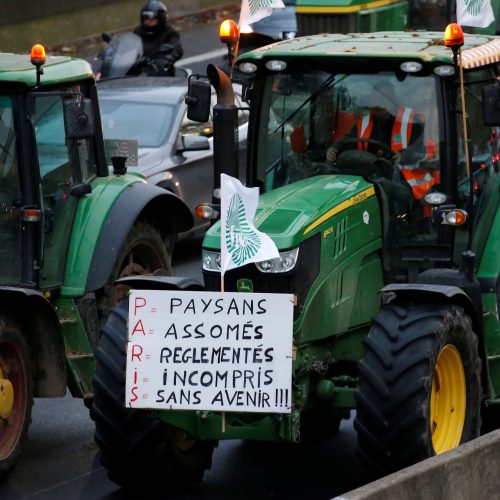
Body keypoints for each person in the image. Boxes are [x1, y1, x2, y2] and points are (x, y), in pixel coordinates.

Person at [133, 1, 183, 75]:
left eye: (152, 20)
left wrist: (166, 58)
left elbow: (176, 48)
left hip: (160, 72)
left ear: (161, 19)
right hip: (138, 71)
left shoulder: (169, 32)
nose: (148, 22)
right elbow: (129, 48)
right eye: (146, 19)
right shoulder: (138, 31)